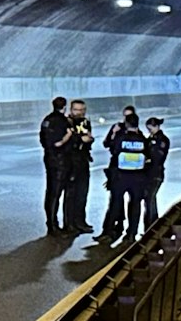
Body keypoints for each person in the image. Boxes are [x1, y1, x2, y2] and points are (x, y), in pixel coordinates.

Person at [100, 109, 151, 243]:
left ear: (127, 124)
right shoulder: (143, 139)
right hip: (138, 178)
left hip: (121, 177)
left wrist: (115, 134)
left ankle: (109, 232)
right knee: (135, 206)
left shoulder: (121, 138)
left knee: (115, 204)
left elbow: (113, 150)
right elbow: (148, 156)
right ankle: (131, 234)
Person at [57, 100, 96, 234]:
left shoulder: (85, 122)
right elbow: (65, 142)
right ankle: (69, 224)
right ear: (71, 110)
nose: (80, 113)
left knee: (82, 193)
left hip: (83, 160)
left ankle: (81, 221)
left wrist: (89, 140)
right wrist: (80, 140)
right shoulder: (66, 122)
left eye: (82, 110)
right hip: (70, 162)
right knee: (71, 195)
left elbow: (87, 137)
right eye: (77, 110)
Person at [39, 97, 71, 233]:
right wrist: (68, 136)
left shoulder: (46, 120)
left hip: (49, 157)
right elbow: (58, 143)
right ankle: (53, 225)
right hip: (59, 160)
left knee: (50, 191)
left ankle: (50, 222)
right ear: (64, 107)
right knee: (56, 193)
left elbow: (43, 139)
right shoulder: (62, 122)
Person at [140, 116, 172, 237]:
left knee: (150, 199)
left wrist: (148, 158)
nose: (149, 131)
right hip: (147, 174)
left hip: (156, 174)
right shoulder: (149, 139)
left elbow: (157, 157)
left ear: (157, 126)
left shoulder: (162, 140)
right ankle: (151, 226)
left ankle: (151, 227)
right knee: (149, 200)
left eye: (151, 128)